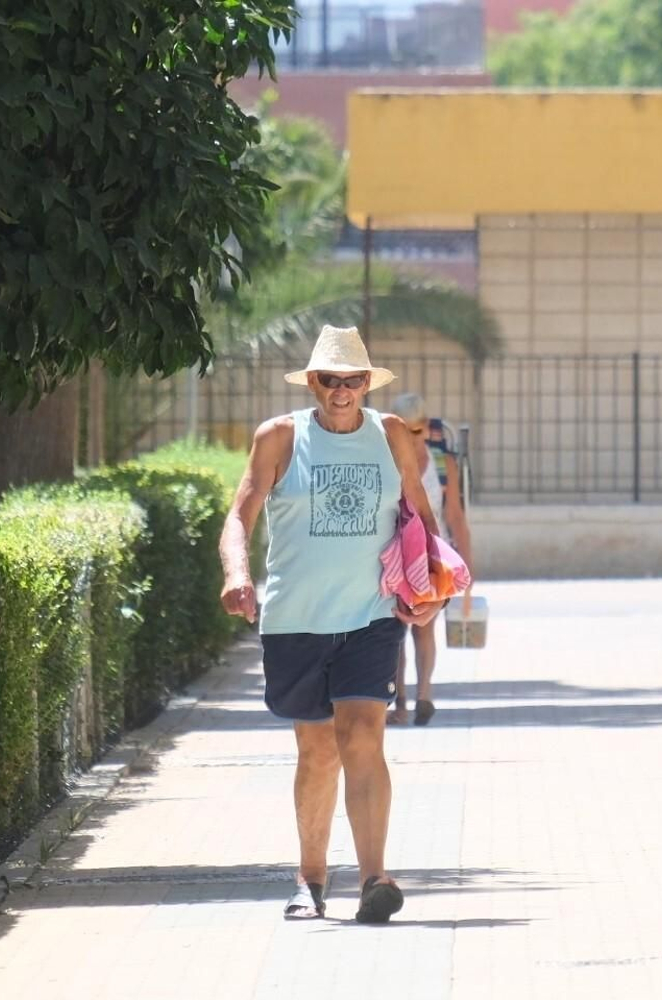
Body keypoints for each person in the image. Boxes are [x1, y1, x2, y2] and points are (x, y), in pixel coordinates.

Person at [218, 325, 446, 924]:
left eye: (353, 380)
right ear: (313, 382)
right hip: (295, 619)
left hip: (370, 616)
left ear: (367, 384)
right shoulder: (281, 438)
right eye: (330, 380)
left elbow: (421, 516)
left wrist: (435, 590)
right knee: (318, 750)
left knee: (364, 736)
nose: (341, 391)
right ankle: (310, 878)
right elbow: (238, 518)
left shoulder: (391, 435)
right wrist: (237, 573)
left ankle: (375, 877)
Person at [385, 393, 475, 727]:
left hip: (431, 555)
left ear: (426, 428)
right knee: (394, 630)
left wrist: (466, 566)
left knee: (424, 628)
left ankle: (423, 695)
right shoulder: (385, 461)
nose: (412, 437)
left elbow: (455, 516)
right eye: (404, 431)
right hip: (393, 554)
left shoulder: (441, 462)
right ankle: (402, 701)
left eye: (418, 430)